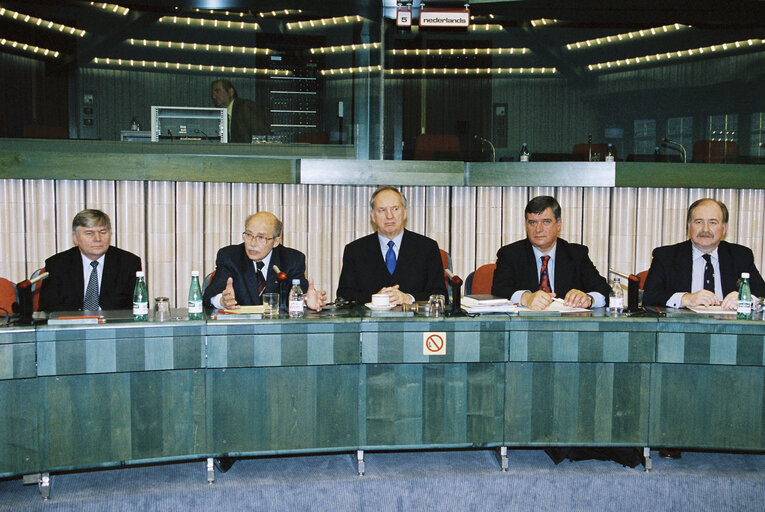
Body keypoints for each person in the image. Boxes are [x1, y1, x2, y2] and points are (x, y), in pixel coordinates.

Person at [491, 195, 610, 310]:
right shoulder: (510, 254)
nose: (538, 229)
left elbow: (605, 291)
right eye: (532, 222)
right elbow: (498, 291)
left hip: (567, 327)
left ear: (558, 225)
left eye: (546, 222)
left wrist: (589, 299)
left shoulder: (576, 255)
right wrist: (525, 298)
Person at [643, 197, 765, 309]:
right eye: (698, 222)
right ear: (689, 226)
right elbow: (649, 296)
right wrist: (686, 299)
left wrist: (745, 298)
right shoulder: (666, 256)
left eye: (713, 222)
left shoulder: (741, 256)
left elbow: (762, 295)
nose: (705, 229)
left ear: (724, 228)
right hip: (681, 328)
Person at [336, 186, 447, 305]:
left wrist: (408, 298)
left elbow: (440, 294)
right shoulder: (355, 250)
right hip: (370, 321)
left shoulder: (427, 247)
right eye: (382, 210)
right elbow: (343, 296)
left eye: (395, 209)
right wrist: (375, 298)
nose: (389, 216)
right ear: (373, 216)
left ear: (404, 213)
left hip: (415, 321)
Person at [203, 212, 326, 311]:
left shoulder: (292, 260)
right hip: (239, 331)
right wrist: (222, 301)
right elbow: (209, 295)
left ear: (276, 241)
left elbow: (301, 293)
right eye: (249, 235)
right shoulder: (230, 257)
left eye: (261, 237)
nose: (252, 243)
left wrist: (305, 300)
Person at [39, 209, 142, 312]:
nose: (97, 238)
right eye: (89, 233)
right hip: (72, 326)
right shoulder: (58, 264)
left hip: (112, 326)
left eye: (102, 232)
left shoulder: (129, 263)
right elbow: (47, 310)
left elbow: (139, 308)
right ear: (75, 238)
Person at [210, 79, 269, 143]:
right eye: (212, 93)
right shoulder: (218, 114)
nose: (213, 96)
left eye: (217, 91)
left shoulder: (245, 108)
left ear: (230, 92)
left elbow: (261, 136)